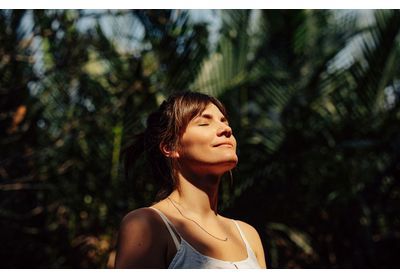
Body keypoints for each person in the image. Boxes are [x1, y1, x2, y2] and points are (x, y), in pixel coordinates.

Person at [115, 91, 266, 269]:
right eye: (204, 123)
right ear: (170, 147)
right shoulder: (148, 225)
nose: (227, 129)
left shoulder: (248, 235)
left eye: (224, 121)